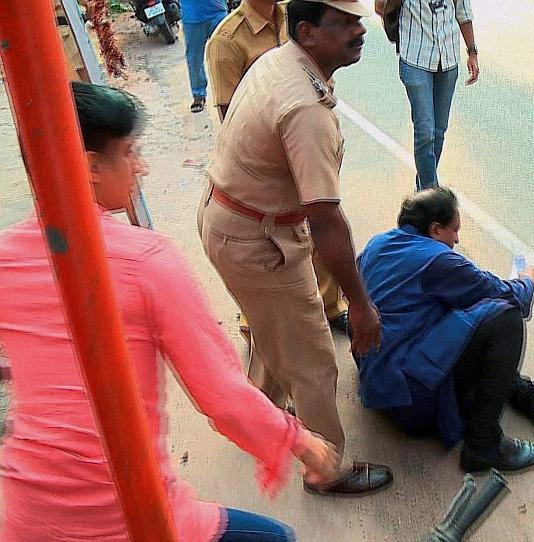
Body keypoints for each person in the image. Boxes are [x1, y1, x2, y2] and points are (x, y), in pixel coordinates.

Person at [0, 81, 340, 541]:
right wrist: (301, 443)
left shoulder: (6, 257)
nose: (139, 166)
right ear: (90, 167)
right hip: (123, 513)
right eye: (128, 152)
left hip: (24, 515)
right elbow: (220, 393)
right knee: (276, 538)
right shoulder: (146, 261)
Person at [199, 0, 393, 495]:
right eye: (344, 23)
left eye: (357, 19)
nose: (359, 29)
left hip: (231, 217)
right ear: (307, 32)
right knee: (313, 359)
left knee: (271, 328)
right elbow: (327, 219)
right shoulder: (305, 109)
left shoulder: (279, 60)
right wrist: (361, 304)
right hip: (256, 237)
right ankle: (325, 469)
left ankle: (258, 418)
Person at [356, 188, 534, 472]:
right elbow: (507, 296)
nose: (456, 239)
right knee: (504, 318)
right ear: (435, 229)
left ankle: (529, 396)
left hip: (378, 382)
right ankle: (484, 444)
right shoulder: (438, 260)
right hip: (410, 401)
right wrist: (528, 281)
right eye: (454, 231)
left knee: (464, 314)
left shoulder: (376, 246)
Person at [204, 0, 349, 342]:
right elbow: (233, 118)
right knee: (275, 254)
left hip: (307, 145)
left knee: (319, 226)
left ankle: (330, 304)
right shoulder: (227, 41)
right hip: (267, 164)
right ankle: (255, 317)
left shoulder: (295, 15)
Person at [396, 0, 480, 190]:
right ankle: (430, 193)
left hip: (448, 59)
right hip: (415, 57)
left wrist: (472, 52)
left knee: (438, 132)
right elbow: (381, 7)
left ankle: (423, 188)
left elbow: (463, 13)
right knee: (425, 132)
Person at [181, 0, 228, 112]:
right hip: (192, 17)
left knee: (226, 54)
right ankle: (198, 95)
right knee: (194, 59)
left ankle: (231, 91)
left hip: (217, 13)